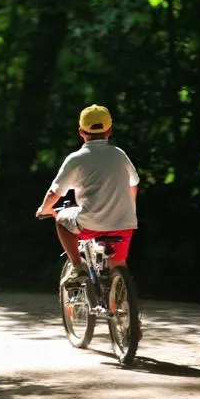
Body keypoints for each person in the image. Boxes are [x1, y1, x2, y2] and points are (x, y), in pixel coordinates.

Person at [36, 104, 139, 281]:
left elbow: (55, 193)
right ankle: (122, 301)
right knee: (119, 265)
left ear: (81, 131)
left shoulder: (76, 159)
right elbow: (134, 184)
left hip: (91, 224)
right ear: (110, 131)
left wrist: (44, 209)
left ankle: (78, 266)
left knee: (61, 220)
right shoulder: (119, 155)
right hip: (125, 223)